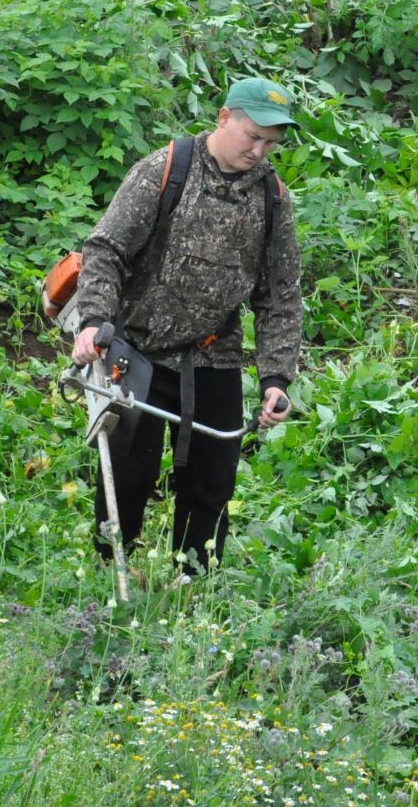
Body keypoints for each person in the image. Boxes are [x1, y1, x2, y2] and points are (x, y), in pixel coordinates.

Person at [69, 77, 303, 570]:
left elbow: (279, 297)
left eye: (270, 142)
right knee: (129, 473)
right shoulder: (165, 170)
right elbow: (105, 251)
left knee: (212, 481)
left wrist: (275, 379)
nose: (260, 151)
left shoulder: (273, 200)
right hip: (138, 352)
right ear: (224, 118)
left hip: (213, 355)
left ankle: (194, 583)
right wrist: (92, 322)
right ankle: (108, 571)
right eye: (252, 136)